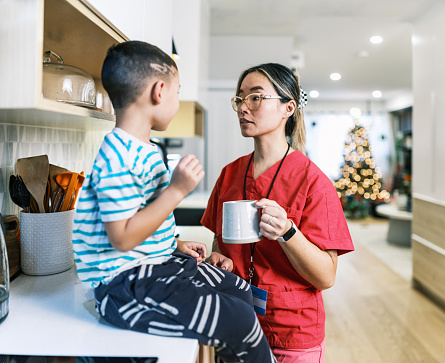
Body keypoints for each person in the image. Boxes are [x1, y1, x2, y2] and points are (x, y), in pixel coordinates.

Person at [72, 41, 275, 363]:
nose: (178, 102)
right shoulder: (116, 158)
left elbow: (142, 216)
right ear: (160, 91)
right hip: (124, 286)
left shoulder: (146, 149)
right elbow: (122, 237)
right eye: (178, 93)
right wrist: (177, 190)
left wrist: (173, 243)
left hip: (156, 268)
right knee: (240, 321)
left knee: (239, 290)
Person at [201, 63, 354, 362]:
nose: (243, 107)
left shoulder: (313, 182)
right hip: (235, 325)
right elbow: (220, 242)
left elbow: (325, 277)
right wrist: (218, 257)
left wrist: (288, 232)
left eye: (256, 97)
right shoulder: (229, 174)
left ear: (288, 107)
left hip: (290, 334)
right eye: (239, 98)